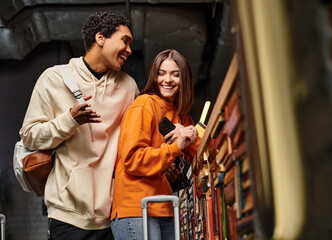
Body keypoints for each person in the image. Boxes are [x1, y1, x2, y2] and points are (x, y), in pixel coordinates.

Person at [19, 12, 139, 240]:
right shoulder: (54, 79)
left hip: (114, 215)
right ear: (101, 38)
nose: (129, 50)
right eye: (125, 40)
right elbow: (29, 136)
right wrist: (69, 120)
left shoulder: (128, 87)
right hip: (66, 216)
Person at [110, 49, 201, 239]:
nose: (167, 80)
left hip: (165, 208)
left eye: (175, 74)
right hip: (136, 208)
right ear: (154, 76)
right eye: (162, 73)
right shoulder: (144, 105)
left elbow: (205, 155)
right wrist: (176, 147)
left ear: (184, 79)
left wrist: (190, 134)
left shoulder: (183, 117)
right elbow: (132, 160)